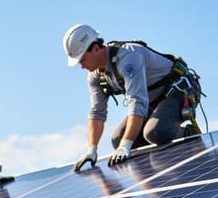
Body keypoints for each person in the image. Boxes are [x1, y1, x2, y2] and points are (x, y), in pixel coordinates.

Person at [63, 24, 203, 171]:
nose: (81, 65)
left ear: (95, 49)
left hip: (179, 90)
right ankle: (159, 173)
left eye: (82, 59)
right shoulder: (95, 75)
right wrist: (92, 149)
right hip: (152, 100)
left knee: (155, 132)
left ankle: (189, 136)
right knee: (118, 140)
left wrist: (126, 145)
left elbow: (137, 102)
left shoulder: (128, 57)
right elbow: (97, 112)